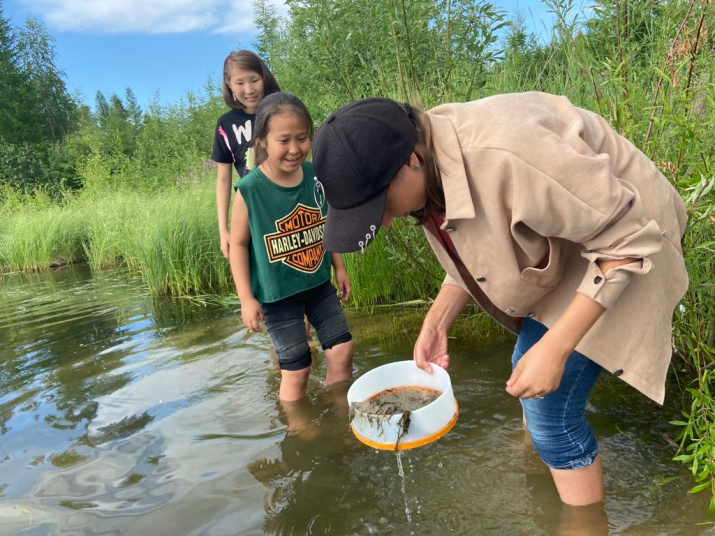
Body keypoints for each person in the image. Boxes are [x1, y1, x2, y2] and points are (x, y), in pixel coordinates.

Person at [311, 93, 688, 506]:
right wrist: (438, 319)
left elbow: (628, 238)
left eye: (378, 205)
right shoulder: (426, 162)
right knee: (528, 372)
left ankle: (579, 512)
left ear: (409, 162)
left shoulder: (505, 156)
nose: (381, 222)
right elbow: (475, 254)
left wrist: (557, 346)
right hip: (571, 236)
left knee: (551, 409)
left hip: (628, 232)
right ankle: (543, 460)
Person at [228, 92, 354, 402]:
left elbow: (328, 221)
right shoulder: (250, 190)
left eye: (302, 138)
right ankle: (299, 432)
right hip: (277, 297)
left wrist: (339, 266)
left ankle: (340, 416)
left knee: (342, 351)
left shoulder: (314, 176)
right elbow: (238, 244)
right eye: (283, 140)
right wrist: (246, 298)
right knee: (297, 371)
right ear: (262, 141)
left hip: (318, 284)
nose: (294, 149)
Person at [212, 50, 281, 260]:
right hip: (251, 209)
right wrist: (224, 230)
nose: (249, 89)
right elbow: (223, 179)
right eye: (240, 83)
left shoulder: (281, 111)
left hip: (287, 202)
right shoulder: (226, 125)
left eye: (254, 80)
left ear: (264, 78)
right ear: (229, 84)